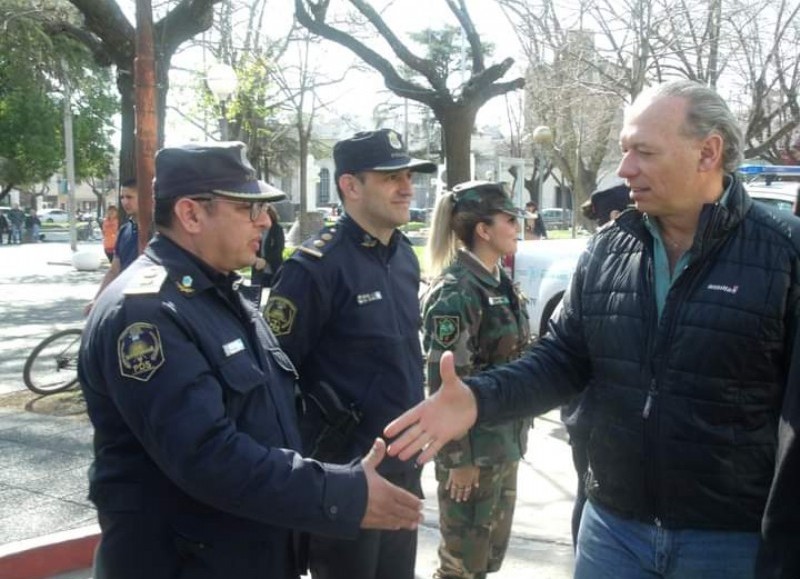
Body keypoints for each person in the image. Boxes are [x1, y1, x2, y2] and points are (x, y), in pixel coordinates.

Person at [385, 79, 800, 579]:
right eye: (625, 151)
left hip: (730, 543)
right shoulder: (608, 251)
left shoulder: (784, 253)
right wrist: (478, 399)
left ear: (708, 152)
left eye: (644, 152)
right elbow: (562, 359)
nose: (625, 169)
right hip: (613, 532)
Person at [77, 141, 423, 579]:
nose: (265, 220)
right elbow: (207, 455)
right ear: (191, 214)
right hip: (184, 561)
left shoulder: (220, 295)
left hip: (246, 550)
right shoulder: (146, 313)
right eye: (247, 208)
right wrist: (339, 491)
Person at [264, 128, 437, 579]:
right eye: (390, 177)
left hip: (405, 463)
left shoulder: (403, 257)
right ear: (350, 186)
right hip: (346, 475)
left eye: (408, 176)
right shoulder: (313, 269)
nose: (406, 187)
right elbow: (275, 378)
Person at [422, 180, 533, 579]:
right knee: (460, 566)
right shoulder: (457, 292)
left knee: (487, 559)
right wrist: (458, 460)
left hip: (504, 445)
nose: (517, 227)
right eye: (509, 220)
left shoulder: (500, 283)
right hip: (473, 454)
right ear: (483, 230)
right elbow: (443, 386)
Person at [85, 179, 139, 314]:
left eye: (130, 197)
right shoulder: (124, 231)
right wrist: (96, 299)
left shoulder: (157, 229)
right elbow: (114, 270)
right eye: (122, 197)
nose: (125, 202)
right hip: (124, 300)